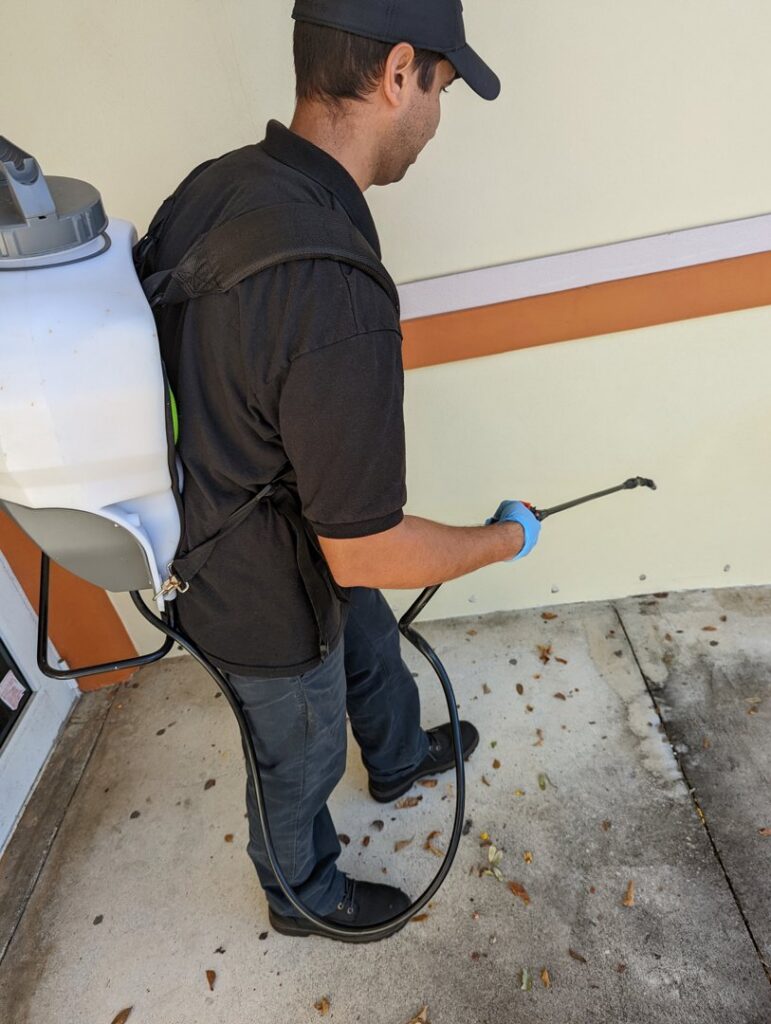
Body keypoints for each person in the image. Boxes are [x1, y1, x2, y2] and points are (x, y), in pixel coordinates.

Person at [146, 0, 542, 943]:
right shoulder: (330, 286)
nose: (436, 116)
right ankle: (300, 892)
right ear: (397, 71)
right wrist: (504, 539)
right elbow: (364, 548)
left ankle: (399, 757)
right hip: (251, 586)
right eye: (440, 87)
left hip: (259, 507)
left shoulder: (223, 183)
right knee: (301, 746)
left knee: (367, 642)